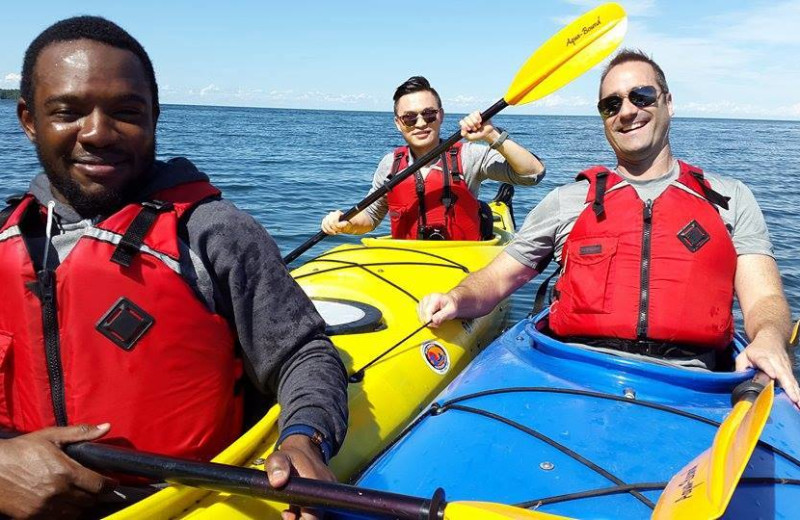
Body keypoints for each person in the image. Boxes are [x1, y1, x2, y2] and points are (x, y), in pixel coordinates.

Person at [0, 16, 347, 520]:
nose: (98, 132)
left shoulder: (215, 233)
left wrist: (305, 438)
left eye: (126, 111)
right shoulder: (6, 234)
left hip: (178, 501)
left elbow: (305, 355)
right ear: (29, 119)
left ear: (155, 117)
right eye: (67, 111)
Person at [418, 49, 800, 405]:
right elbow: (498, 280)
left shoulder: (728, 198)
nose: (627, 111)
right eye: (611, 104)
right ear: (603, 118)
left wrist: (768, 338)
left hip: (693, 386)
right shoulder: (568, 201)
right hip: (569, 376)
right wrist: (457, 298)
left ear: (668, 102)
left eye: (642, 96)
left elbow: (764, 299)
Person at [321, 76, 546, 241]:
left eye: (428, 114)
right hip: (408, 263)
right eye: (409, 118)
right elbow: (370, 217)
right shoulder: (390, 164)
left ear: (441, 115)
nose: (420, 123)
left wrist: (491, 134)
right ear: (398, 123)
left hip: (463, 265)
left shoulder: (469, 155)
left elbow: (532, 174)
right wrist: (346, 224)